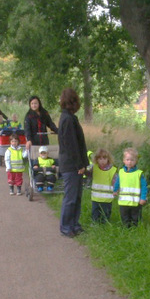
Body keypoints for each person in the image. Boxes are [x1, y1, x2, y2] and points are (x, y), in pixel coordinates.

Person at [58, 88, 89, 238]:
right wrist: (80, 165)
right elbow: (71, 146)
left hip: (74, 165)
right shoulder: (67, 119)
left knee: (76, 197)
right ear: (73, 102)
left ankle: (74, 225)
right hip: (71, 166)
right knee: (70, 198)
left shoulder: (69, 118)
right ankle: (65, 226)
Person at [113, 147, 148, 227]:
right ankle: (126, 230)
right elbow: (118, 182)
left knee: (135, 218)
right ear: (124, 160)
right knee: (124, 217)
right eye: (127, 159)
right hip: (123, 202)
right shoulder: (121, 172)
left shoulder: (139, 174)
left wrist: (143, 198)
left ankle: (135, 230)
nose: (129, 162)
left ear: (136, 161)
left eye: (132, 160)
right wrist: (115, 190)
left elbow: (144, 187)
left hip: (135, 202)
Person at [89, 148, 117, 223]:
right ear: (96, 159)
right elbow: (87, 173)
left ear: (108, 159)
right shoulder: (94, 168)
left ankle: (105, 225)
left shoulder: (112, 170)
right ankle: (94, 224)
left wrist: (116, 190)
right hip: (95, 198)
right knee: (95, 213)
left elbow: (115, 181)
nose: (102, 161)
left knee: (106, 214)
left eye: (104, 158)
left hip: (107, 198)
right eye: (100, 159)